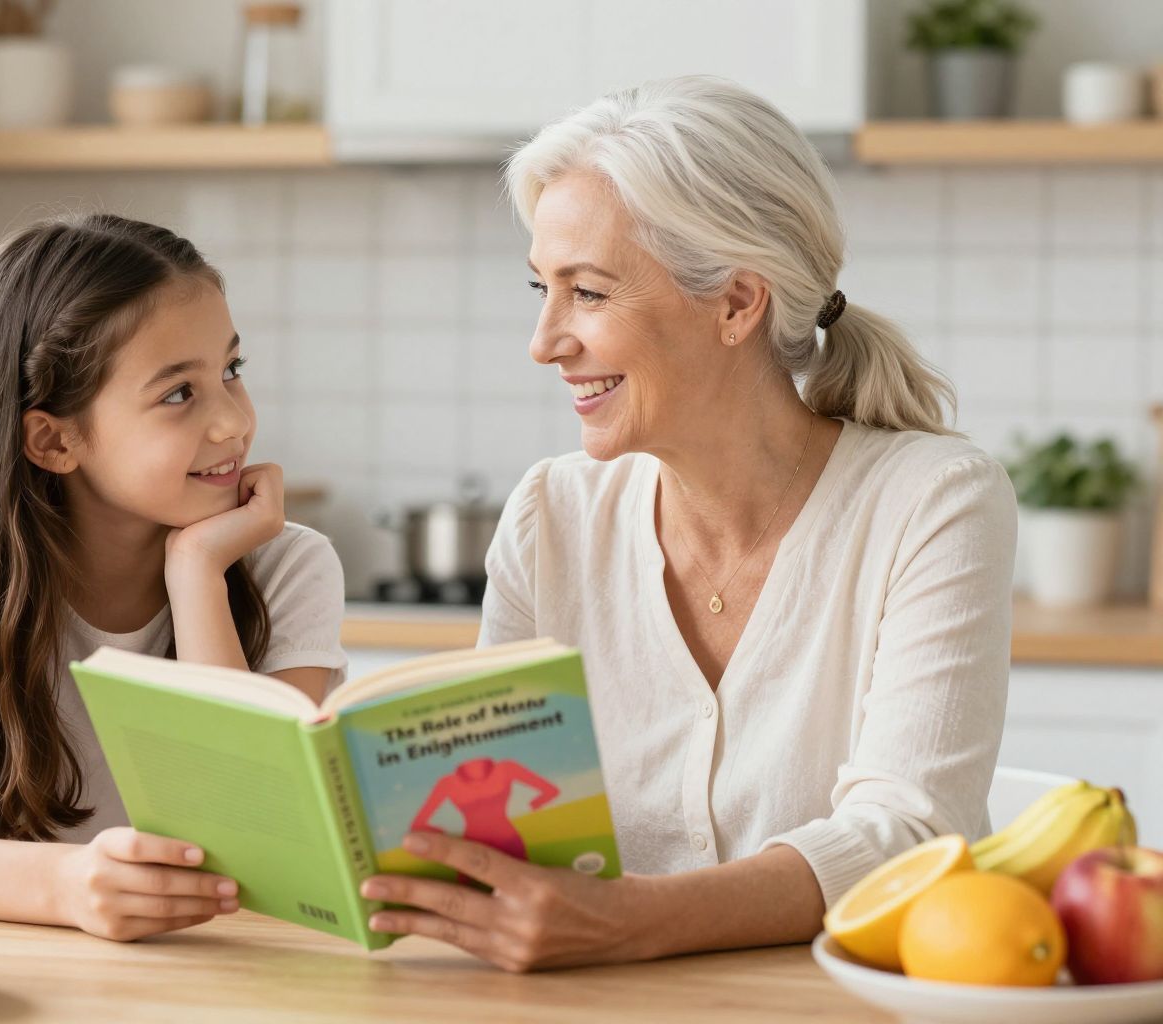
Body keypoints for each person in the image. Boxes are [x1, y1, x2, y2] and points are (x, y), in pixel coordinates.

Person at [356, 76, 1016, 972]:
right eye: (540, 289)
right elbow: (509, 831)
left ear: (738, 303)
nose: (544, 341)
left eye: (586, 293)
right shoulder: (551, 517)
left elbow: (908, 837)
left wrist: (627, 920)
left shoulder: (933, 500)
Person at [0, 213, 348, 942]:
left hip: (226, 970)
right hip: (18, 972)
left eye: (231, 371)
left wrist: (197, 576)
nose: (232, 422)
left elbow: (254, 837)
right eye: (178, 394)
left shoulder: (287, 565)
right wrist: (68, 885)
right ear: (55, 439)